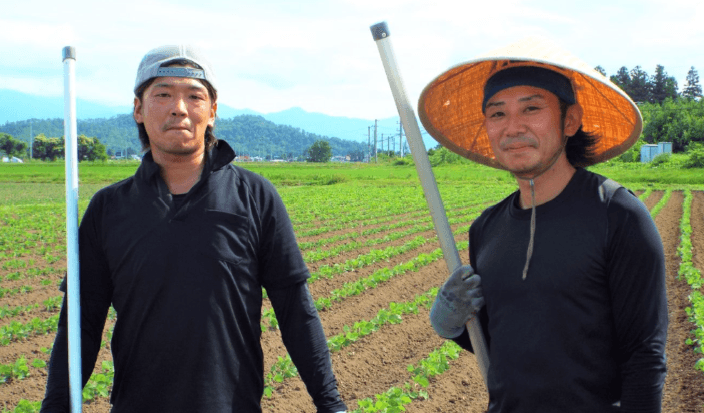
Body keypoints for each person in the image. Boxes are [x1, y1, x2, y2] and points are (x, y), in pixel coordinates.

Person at [41, 45, 347, 413]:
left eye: (194, 96)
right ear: (138, 109)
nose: (179, 108)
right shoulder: (109, 208)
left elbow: (296, 311)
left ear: (212, 111)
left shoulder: (254, 196)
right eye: (163, 94)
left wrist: (331, 404)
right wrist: (55, 405)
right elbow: (81, 324)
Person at [422, 38, 668, 412]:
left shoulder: (617, 215)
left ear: (570, 120)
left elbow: (645, 357)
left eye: (531, 109)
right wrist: (452, 325)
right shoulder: (486, 228)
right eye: (497, 114)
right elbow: (503, 343)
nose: (512, 127)